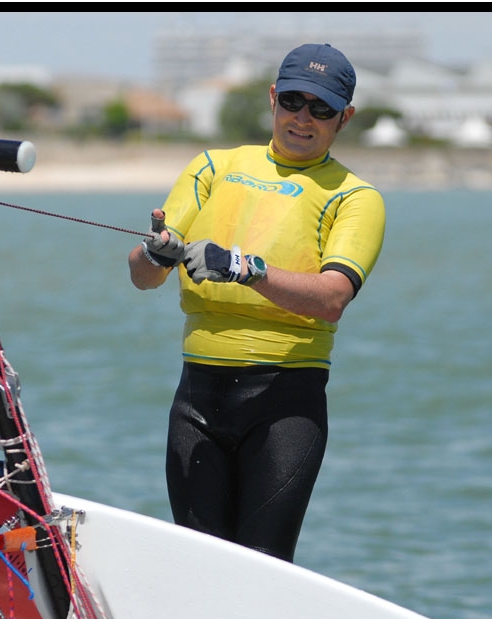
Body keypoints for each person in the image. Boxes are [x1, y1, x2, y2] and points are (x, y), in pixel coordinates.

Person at [127, 43, 385, 563]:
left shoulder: (356, 197)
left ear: (345, 118)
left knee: (262, 570)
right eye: (293, 100)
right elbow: (142, 277)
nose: (303, 118)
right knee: (202, 567)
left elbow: (333, 298)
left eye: (322, 108)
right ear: (272, 98)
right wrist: (154, 254)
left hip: (285, 405)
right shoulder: (213, 167)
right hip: (197, 400)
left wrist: (246, 269)